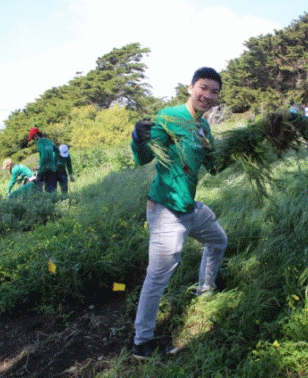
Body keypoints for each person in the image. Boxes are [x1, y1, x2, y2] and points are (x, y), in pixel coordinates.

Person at [130, 67, 228, 360]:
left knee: (218, 241)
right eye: (203, 88)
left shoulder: (203, 128)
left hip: (190, 207)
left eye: (214, 91)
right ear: (190, 88)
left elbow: (214, 166)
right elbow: (143, 157)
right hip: (165, 210)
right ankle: (141, 343)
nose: (208, 95)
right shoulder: (169, 117)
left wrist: (236, 150)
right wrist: (138, 136)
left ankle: (205, 290)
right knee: (158, 277)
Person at [27, 127, 58, 193]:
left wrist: (39, 165)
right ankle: (53, 200)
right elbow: (57, 150)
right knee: (51, 189)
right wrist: (55, 162)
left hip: (44, 168)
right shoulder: (48, 141)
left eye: (33, 138)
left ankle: (40, 199)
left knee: (38, 184)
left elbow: (44, 154)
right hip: (52, 168)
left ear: (36, 136)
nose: (33, 140)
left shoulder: (40, 142)